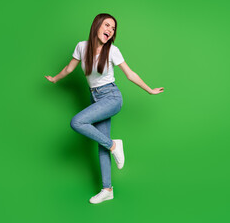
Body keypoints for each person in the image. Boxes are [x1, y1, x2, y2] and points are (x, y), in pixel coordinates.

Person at [45, 13, 164, 204]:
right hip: (95, 99)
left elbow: (130, 74)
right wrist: (55, 78)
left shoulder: (113, 51)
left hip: (111, 97)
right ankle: (107, 189)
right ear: (97, 25)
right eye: (107, 25)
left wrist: (149, 90)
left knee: (77, 122)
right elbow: (69, 68)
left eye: (113, 28)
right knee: (102, 145)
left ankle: (114, 145)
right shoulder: (81, 47)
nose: (110, 30)